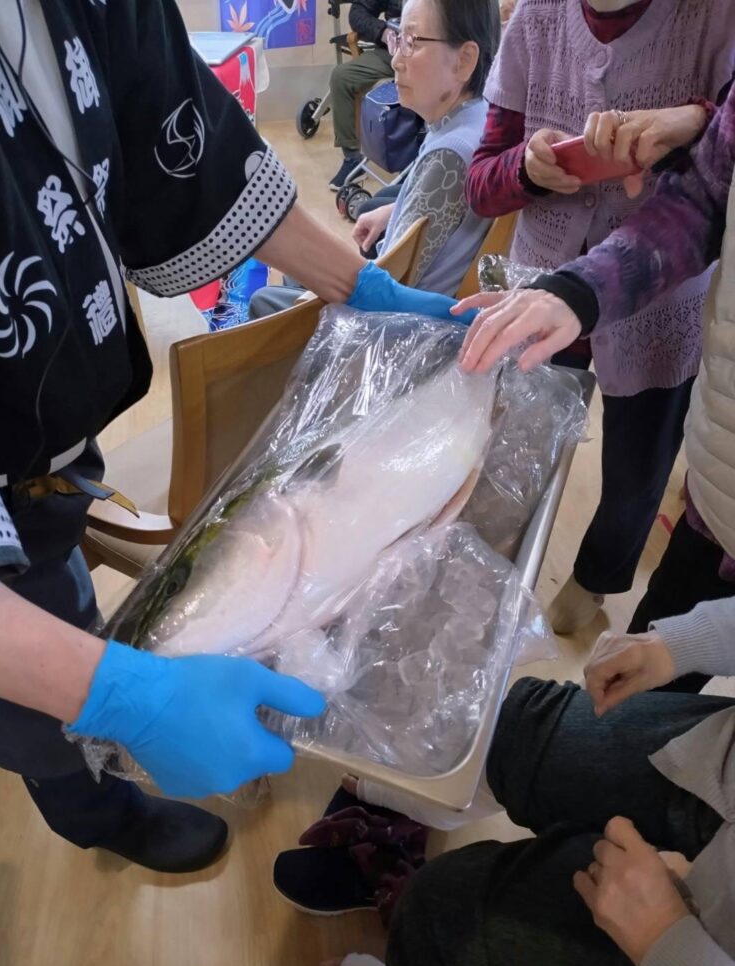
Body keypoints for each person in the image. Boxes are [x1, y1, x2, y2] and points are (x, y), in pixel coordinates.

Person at [0, 0, 468, 875]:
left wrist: (359, 284)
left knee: (66, 582)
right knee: (34, 709)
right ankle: (97, 811)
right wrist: (124, 697)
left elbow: (188, 153)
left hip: (52, 435)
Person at [464, 0, 735, 635]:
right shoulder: (536, 21)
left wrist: (694, 118)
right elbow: (481, 182)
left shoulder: (713, 20)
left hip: (661, 305)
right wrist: (527, 171)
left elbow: (710, 178)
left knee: (637, 469)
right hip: (544, 286)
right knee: (517, 449)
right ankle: (491, 576)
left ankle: (595, 579)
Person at [334, 597, 735, 966]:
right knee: (521, 730)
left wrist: (668, 945)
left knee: (443, 916)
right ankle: (451, 798)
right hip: (721, 757)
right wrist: (683, 643)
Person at [249, 0, 499, 318]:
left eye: (413, 42)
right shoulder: (478, 118)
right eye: (398, 38)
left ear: (464, 60)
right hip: (407, 301)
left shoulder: (448, 153)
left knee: (266, 298)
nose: (396, 61)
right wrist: (394, 211)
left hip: (399, 326)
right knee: (297, 273)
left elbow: (389, 286)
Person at [328, 0, 402, 190]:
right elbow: (358, 12)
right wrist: (382, 31)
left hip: (431, 54)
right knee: (342, 77)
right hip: (391, 53)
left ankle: (415, 162)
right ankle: (353, 159)